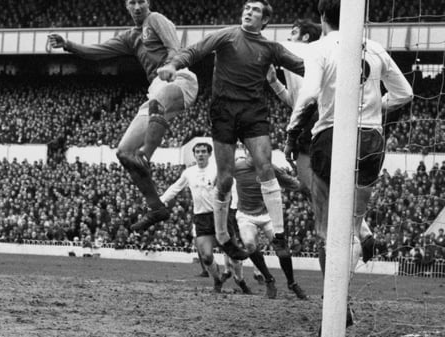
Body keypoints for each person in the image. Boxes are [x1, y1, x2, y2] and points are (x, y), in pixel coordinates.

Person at [287, 0, 413, 324]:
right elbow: (405, 94)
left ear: (322, 16)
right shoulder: (374, 47)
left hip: (330, 137)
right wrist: (376, 110)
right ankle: (342, 297)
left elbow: (311, 92)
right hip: (371, 138)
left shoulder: (320, 48)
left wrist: (292, 130)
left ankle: (334, 308)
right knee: (354, 227)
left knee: (327, 227)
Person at [157, 0, 304, 262]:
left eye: (255, 10)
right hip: (224, 111)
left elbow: (303, 65)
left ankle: (279, 236)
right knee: (224, 179)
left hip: (253, 113)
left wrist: (341, 72)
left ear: (265, 20)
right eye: (247, 7)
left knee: (265, 166)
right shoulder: (227, 36)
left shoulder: (270, 48)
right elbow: (194, 51)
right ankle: (223, 236)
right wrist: (173, 65)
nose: (248, 11)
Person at [48, 0, 198, 233]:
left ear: (148, 3)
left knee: (154, 114)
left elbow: (174, 48)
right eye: (132, 2)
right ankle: (156, 207)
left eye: (141, 1)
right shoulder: (130, 36)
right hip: (156, 89)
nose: (137, 6)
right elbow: (97, 52)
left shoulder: (156, 19)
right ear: (126, 6)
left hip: (179, 78)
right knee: (124, 152)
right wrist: (68, 44)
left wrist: (170, 66)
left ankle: (146, 156)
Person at [267, 18, 376, 263]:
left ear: (305, 37)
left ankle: (353, 233)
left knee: (315, 189)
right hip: (313, 117)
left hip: (313, 120)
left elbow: (270, 46)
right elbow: (294, 100)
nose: (289, 36)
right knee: (315, 187)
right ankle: (362, 230)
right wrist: (274, 83)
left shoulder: (300, 49)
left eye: (293, 32)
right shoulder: (305, 61)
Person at [159, 141, 253, 293]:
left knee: (233, 255)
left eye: (204, 151)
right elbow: (175, 187)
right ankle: (217, 280)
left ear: (209, 154)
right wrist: (161, 200)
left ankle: (240, 280)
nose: (200, 154)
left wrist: (234, 206)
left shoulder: (217, 169)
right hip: (201, 218)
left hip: (220, 216)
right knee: (207, 256)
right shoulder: (188, 173)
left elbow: (232, 184)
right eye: (197, 152)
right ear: (194, 155)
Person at [233, 145, 308, 300]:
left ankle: (292, 283)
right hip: (246, 215)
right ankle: (268, 279)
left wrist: (308, 187)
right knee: (249, 244)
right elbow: (221, 176)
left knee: (282, 249)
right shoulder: (237, 167)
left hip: (268, 215)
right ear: (247, 152)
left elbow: (293, 183)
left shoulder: (270, 168)